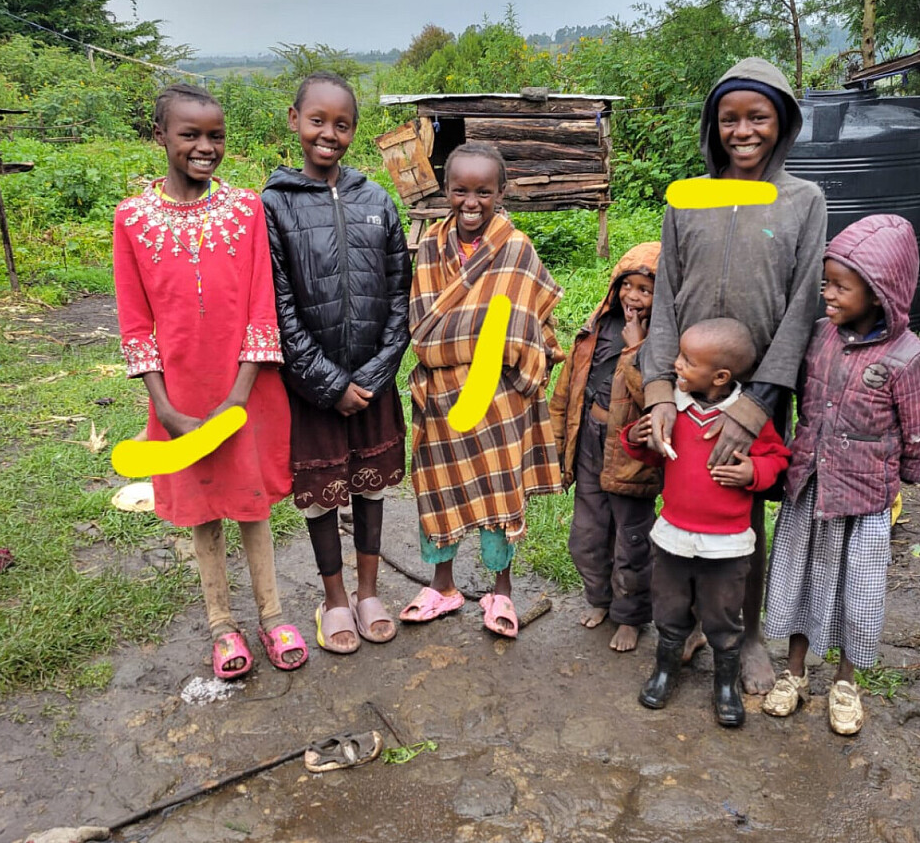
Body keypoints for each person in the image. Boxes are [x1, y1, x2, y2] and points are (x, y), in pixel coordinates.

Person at [641, 58, 827, 694]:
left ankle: (745, 637)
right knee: (684, 501)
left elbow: (802, 308)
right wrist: (660, 392)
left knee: (741, 511)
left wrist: (755, 409)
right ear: (712, 125)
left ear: (783, 123)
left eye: (758, 117)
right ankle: (692, 624)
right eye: (729, 119)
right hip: (686, 383)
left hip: (756, 393)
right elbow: (665, 300)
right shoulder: (687, 199)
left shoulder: (803, 201)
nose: (742, 131)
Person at [113, 83, 307, 680]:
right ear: (160, 136)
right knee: (201, 506)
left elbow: (261, 308)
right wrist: (166, 410)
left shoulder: (246, 209)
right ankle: (222, 623)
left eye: (215, 135)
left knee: (250, 501)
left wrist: (238, 399)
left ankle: (273, 615)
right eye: (189, 134)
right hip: (179, 396)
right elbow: (136, 324)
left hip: (244, 389)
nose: (205, 146)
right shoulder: (132, 220)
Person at [763, 214, 920, 734]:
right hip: (809, 487)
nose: (828, 294)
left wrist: (900, 477)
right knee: (800, 576)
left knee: (857, 590)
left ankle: (845, 683)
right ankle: (795, 672)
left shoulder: (910, 358)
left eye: (841, 287)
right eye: (826, 283)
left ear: (881, 292)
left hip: (865, 499)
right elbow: (797, 396)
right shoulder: (818, 337)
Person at [262, 72, 410, 655]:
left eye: (342, 124)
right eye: (317, 121)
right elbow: (277, 307)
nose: (329, 134)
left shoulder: (378, 201)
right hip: (313, 388)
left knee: (371, 489)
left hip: (374, 384)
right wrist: (328, 384)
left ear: (354, 130)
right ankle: (335, 600)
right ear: (294, 120)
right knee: (324, 493)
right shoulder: (273, 205)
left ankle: (369, 592)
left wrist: (372, 377)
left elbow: (400, 295)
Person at [402, 142, 563, 638]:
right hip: (443, 395)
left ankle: (502, 591)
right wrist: (478, 338)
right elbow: (421, 328)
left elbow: (531, 319)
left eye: (483, 192)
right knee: (439, 490)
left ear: (501, 192)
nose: (471, 203)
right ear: (446, 190)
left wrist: (505, 349)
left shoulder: (517, 249)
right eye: (460, 191)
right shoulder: (430, 247)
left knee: (499, 492)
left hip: (499, 399)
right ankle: (442, 586)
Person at [622, 318, 790, 726]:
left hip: (726, 544)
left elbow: (778, 459)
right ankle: (665, 671)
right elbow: (652, 453)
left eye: (687, 360)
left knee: (723, 615)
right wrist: (638, 438)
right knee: (669, 607)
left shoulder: (747, 419)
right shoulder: (674, 408)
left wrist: (753, 471)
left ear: (720, 377)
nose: (676, 365)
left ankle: (725, 685)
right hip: (674, 537)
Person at [549, 242, 662, 653]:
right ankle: (600, 599)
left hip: (632, 453)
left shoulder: (662, 338)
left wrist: (636, 347)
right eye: (627, 286)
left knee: (631, 539)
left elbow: (653, 396)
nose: (634, 296)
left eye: (645, 290)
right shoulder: (598, 326)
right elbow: (568, 388)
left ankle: (630, 617)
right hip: (590, 442)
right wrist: (559, 444)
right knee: (587, 535)